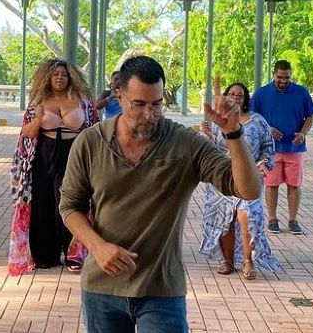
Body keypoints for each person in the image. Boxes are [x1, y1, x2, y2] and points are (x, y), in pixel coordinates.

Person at [59, 56, 260, 332]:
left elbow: (248, 190)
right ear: (119, 95)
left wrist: (233, 133)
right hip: (102, 288)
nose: (149, 114)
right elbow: (70, 206)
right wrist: (97, 246)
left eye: (156, 104)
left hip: (162, 290)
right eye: (139, 104)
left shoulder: (184, 143)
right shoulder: (91, 142)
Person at [8, 58, 98, 275]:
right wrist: (39, 119)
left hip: (74, 155)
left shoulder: (83, 100)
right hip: (44, 156)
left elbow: (96, 129)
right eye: (56, 74)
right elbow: (27, 133)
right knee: (44, 204)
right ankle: (45, 255)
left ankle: (74, 253)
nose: (60, 78)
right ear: (48, 77)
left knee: (72, 202)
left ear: (71, 77)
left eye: (64, 74)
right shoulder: (38, 102)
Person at [200, 82, 279, 280]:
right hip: (224, 177)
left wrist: (263, 164)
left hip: (249, 177)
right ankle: (227, 260)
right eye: (232, 94)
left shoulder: (258, 121)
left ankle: (248, 260)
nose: (236, 97)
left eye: (240, 94)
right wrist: (209, 137)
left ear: (245, 99)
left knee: (247, 217)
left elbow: (268, 148)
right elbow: (213, 152)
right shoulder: (219, 121)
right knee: (225, 218)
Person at [250, 60, 313, 235]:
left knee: (294, 185)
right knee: (272, 184)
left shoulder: (301, 93)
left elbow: (310, 117)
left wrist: (303, 133)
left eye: (287, 77)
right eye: (280, 77)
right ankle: (272, 218)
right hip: (270, 149)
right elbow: (252, 117)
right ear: (274, 74)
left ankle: (293, 220)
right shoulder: (262, 93)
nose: (283, 81)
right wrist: (268, 129)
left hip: (295, 148)